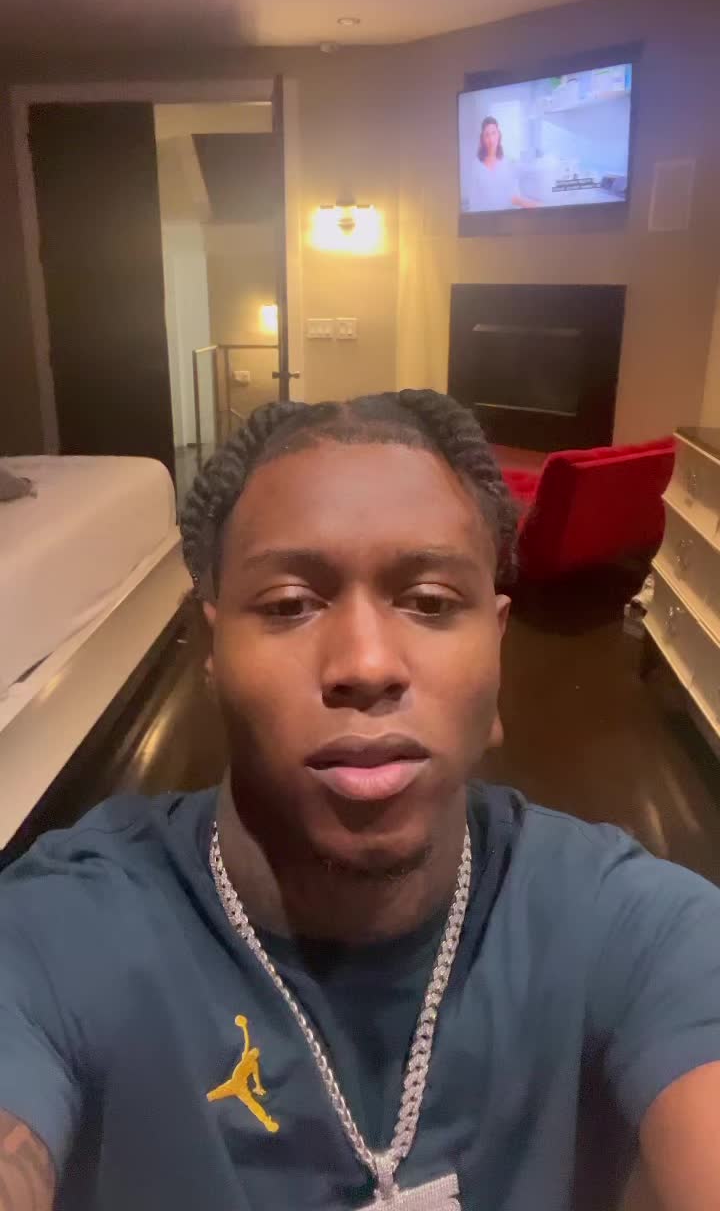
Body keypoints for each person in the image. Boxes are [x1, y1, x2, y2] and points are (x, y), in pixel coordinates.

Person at [1, 390, 720, 1211]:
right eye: (288, 605)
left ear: (496, 650)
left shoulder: (636, 930)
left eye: (430, 602)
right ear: (212, 655)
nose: (367, 664)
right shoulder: (59, 936)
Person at [468, 116, 540, 211]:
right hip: (486, 217)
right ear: (482, 139)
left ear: (499, 135)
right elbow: (474, 202)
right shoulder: (477, 166)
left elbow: (514, 197)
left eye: (493, 133)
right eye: (487, 135)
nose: (491, 139)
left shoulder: (508, 162)